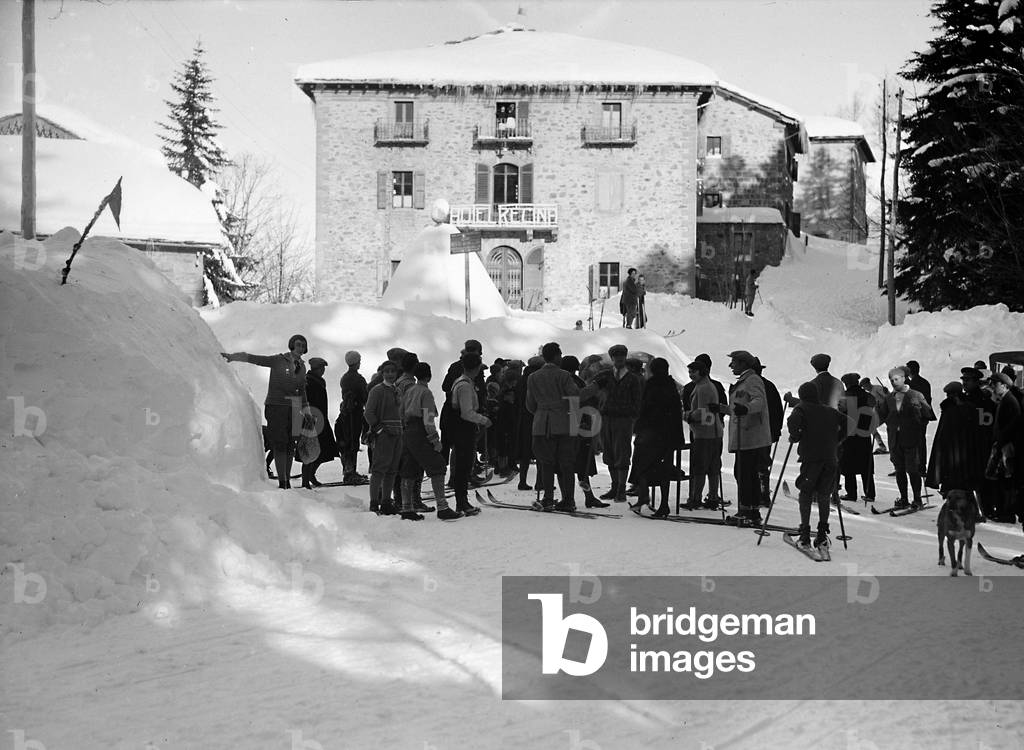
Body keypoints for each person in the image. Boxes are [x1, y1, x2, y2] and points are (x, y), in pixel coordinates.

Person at [221, 334, 309, 490]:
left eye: (303, 345)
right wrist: (233, 357)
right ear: (291, 345)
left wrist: (306, 409)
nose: (300, 348)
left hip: (295, 408)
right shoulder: (279, 360)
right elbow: (256, 359)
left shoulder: (302, 366)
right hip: (277, 406)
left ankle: (287, 479)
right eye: (298, 344)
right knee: (280, 443)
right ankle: (283, 481)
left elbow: (302, 390)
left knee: (291, 445)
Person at [787, 381, 846, 557]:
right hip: (830, 458)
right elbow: (848, 421)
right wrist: (837, 440)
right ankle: (821, 534)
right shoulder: (829, 410)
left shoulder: (802, 408)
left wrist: (796, 435)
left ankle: (805, 533)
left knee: (805, 493)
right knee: (824, 495)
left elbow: (792, 422)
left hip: (811, 459)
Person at [400, 362, 462, 521]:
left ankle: (406, 508)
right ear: (429, 376)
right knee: (437, 465)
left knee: (409, 468)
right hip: (420, 431)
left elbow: (401, 412)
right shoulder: (425, 393)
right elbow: (428, 420)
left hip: (407, 431)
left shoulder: (409, 390)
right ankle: (442, 506)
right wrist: (435, 440)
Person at [526, 342, 584, 512]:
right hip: (564, 423)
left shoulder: (533, 377)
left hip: (542, 424)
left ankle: (548, 498)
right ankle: (568, 499)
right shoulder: (564, 375)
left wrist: (542, 411)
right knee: (566, 464)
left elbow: (530, 404)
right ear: (557, 356)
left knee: (546, 463)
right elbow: (575, 396)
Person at [716, 350, 771, 525]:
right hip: (744, 435)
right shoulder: (744, 381)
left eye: (734, 362)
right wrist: (722, 408)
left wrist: (746, 409)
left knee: (745, 474)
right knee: (744, 473)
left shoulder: (753, 380)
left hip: (750, 436)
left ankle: (747, 510)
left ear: (743, 363)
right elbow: (738, 408)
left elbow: (759, 402)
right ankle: (751, 510)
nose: (730, 365)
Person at [629, 358, 685, 516]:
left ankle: (643, 495)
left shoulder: (652, 385)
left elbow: (645, 408)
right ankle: (663, 504)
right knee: (665, 469)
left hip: (651, 433)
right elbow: (676, 412)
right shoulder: (671, 385)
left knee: (641, 465)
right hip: (669, 434)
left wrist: (638, 428)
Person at [875, 365, 934, 510]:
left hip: (911, 439)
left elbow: (928, 414)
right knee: (899, 470)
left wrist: (917, 426)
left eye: (896, 379)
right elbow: (880, 417)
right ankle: (904, 498)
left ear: (903, 379)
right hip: (894, 440)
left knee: (913, 470)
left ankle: (917, 499)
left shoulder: (916, 395)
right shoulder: (889, 398)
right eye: (891, 380)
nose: (893, 382)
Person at [446, 352, 491, 516]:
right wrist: (483, 420)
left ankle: (463, 501)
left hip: (462, 428)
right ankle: (462, 502)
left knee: (464, 466)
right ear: (477, 367)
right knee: (463, 466)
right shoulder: (465, 385)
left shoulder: (462, 382)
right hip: (464, 428)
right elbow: (466, 412)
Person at [597, 344, 643, 502]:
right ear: (612, 358)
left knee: (622, 453)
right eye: (616, 356)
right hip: (607, 418)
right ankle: (615, 486)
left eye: (622, 356)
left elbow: (637, 401)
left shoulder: (633, 379)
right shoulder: (605, 376)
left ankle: (621, 488)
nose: (619, 359)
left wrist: (631, 416)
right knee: (609, 452)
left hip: (624, 420)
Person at [560, 355, 607, 508]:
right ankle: (585, 496)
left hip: (570, 423)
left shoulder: (564, 380)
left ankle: (571, 497)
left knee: (571, 464)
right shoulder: (572, 381)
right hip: (578, 423)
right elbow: (580, 398)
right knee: (581, 464)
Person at [682, 359, 725, 510]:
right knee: (713, 466)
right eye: (689, 372)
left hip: (705, 433)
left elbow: (703, 413)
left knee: (701, 467)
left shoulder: (703, 388)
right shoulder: (705, 385)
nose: (690, 375)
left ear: (701, 372)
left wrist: (685, 415)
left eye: (693, 372)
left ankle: (696, 498)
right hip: (712, 432)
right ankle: (712, 497)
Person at [364, 359, 404, 514]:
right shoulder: (377, 390)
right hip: (384, 434)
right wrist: (379, 429)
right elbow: (368, 412)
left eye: (393, 371)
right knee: (379, 469)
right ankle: (374, 502)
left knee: (392, 470)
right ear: (382, 373)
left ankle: (386, 501)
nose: (390, 374)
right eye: (387, 371)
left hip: (397, 433)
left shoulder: (397, 390)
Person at [837, 373, 876, 503]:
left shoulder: (845, 396)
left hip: (850, 434)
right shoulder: (868, 396)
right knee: (866, 465)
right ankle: (870, 493)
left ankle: (851, 493)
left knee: (849, 465)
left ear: (847, 383)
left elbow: (840, 413)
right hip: (864, 434)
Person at [301, 357, 339, 489]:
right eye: (321, 368)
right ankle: (305, 480)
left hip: (321, 419)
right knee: (309, 451)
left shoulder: (318, 381)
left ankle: (311, 475)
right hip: (312, 420)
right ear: (316, 369)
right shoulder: (308, 382)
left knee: (324, 450)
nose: (323, 370)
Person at [990, 372, 1022, 523]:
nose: (992, 387)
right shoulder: (1005, 400)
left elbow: (1013, 426)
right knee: (1003, 479)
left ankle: (1007, 513)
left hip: (1008, 446)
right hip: (1005, 445)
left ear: (1004, 385)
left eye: (995, 384)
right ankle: (1005, 511)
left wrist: (1000, 440)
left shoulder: (1009, 401)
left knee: (1007, 480)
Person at [753, 357, 784, 508]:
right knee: (763, 463)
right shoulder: (770, 386)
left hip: (756, 432)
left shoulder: (754, 386)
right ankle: (763, 494)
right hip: (769, 432)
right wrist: (776, 431)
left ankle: (759, 495)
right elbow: (778, 411)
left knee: (755, 464)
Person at [336, 350, 369, 486]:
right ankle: (351, 473)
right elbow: (365, 396)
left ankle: (348, 471)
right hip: (355, 413)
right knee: (353, 442)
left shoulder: (344, 378)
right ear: (356, 362)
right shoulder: (359, 379)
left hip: (345, 412)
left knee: (347, 441)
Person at [860, 376, 889, 454]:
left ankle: (887, 447)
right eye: (863, 387)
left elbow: (888, 397)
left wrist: (886, 393)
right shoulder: (869, 394)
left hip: (885, 412)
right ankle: (882, 446)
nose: (864, 388)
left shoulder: (877, 388)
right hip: (879, 413)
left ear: (868, 384)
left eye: (864, 386)